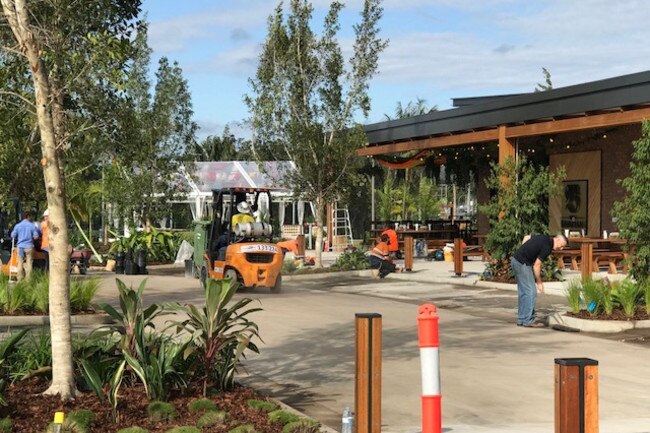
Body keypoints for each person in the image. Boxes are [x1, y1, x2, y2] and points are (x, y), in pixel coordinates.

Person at [512, 233, 567, 327]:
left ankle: (522, 319)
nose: (561, 249)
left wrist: (523, 250)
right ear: (557, 239)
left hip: (515, 260)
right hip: (523, 263)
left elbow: (526, 237)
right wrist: (539, 282)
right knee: (531, 292)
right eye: (561, 246)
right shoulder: (547, 247)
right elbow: (537, 265)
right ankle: (527, 320)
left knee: (523, 292)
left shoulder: (544, 237)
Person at [11, 212, 40, 281]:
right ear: (28, 217)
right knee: (29, 262)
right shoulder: (32, 226)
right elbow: (36, 237)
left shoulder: (18, 225)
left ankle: (20, 278)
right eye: (31, 217)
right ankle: (28, 280)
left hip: (20, 247)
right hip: (29, 246)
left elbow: (13, 235)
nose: (31, 218)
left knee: (20, 262)